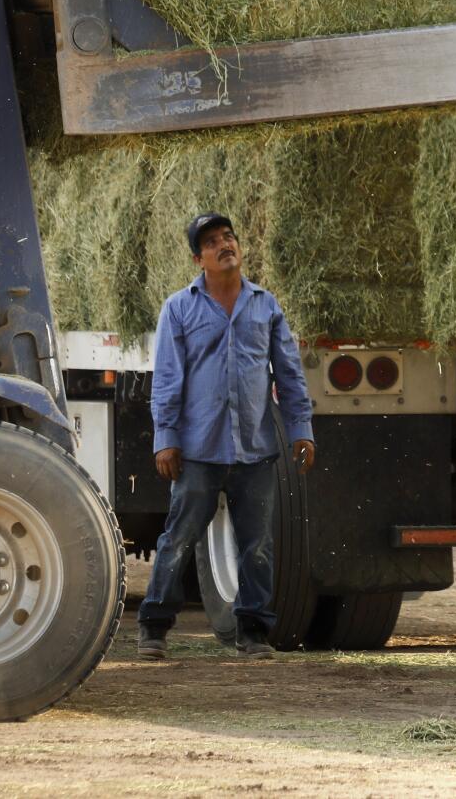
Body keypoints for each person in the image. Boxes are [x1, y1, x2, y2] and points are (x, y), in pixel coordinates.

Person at [136, 212, 316, 661]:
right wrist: (166, 437)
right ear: (199, 258)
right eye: (212, 242)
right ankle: (154, 627)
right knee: (178, 538)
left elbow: (290, 376)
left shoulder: (266, 306)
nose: (224, 245)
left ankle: (253, 634)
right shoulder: (179, 308)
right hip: (198, 449)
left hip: (255, 450)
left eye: (228, 237)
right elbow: (167, 378)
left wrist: (301, 430)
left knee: (257, 545)